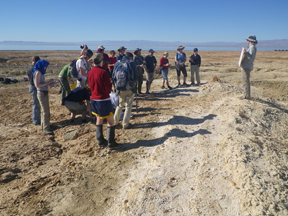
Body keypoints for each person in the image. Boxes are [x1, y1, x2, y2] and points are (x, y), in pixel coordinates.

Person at [88, 53, 120, 149]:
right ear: (101, 61)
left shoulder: (90, 72)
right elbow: (107, 88)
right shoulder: (103, 72)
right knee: (111, 121)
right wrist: (109, 83)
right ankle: (111, 142)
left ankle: (100, 141)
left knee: (99, 118)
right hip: (103, 99)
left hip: (94, 99)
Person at [113, 52, 138, 129]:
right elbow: (135, 77)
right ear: (130, 57)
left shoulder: (117, 63)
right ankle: (125, 124)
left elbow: (113, 76)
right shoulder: (131, 63)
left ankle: (114, 123)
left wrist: (115, 86)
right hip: (129, 88)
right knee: (128, 106)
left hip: (119, 88)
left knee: (119, 106)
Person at [32, 59, 54, 135]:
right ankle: (46, 129)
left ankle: (44, 125)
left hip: (43, 93)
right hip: (41, 94)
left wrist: (48, 84)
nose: (46, 68)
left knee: (44, 111)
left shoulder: (39, 72)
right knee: (45, 111)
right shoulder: (38, 72)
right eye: (45, 66)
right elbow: (37, 85)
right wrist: (48, 83)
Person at [241, 35, 258, 99]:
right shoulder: (251, 47)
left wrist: (246, 54)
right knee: (244, 81)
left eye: (248, 40)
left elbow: (251, 58)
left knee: (245, 81)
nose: (247, 41)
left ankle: (246, 96)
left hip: (247, 66)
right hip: (245, 66)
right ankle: (246, 95)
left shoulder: (252, 47)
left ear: (251, 41)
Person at [27, 56, 41, 125]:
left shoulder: (29, 67)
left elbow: (28, 78)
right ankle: (36, 120)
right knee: (36, 105)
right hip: (34, 88)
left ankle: (36, 119)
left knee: (36, 104)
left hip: (31, 87)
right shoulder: (35, 69)